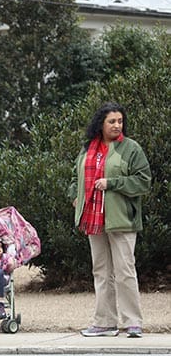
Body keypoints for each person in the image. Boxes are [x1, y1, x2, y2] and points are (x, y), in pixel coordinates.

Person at [68, 102, 151, 338]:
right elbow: (75, 178)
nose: (117, 125)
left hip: (121, 219)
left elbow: (143, 181)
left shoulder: (131, 149)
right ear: (101, 124)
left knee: (125, 271)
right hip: (93, 218)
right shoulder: (87, 149)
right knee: (101, 271)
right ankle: (105, 322)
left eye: (120, 121)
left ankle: (133, 322)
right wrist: (75, 196)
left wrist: (112, 183)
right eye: (111, 121)